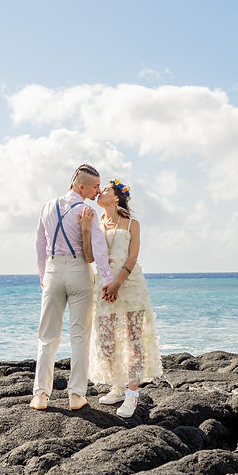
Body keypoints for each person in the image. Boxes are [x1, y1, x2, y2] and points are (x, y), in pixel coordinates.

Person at [31, 164, 114, 411]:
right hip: (79, 271)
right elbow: (98, 250)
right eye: (96, 186)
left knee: (47, 337)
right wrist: (107, 279)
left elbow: (40, 244)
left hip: (53, 271)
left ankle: (40, 395)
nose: (98, 191)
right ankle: (76, 395)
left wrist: (43, 276)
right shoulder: (86, 210)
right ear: (81, 187)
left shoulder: (47, 206)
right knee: (80, 336)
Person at [80, 178, 161, 418]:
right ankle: (117, 385)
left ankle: (132, 395)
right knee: (106, 338)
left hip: (129, 284)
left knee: (134, 339)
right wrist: (85, 229)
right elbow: (89, 257)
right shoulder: (96, 223)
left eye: (104, 189)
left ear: (116, 197)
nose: (99, 192)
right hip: (104, 285)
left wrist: (118, 283)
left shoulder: (131, 224)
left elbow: (133, 257)